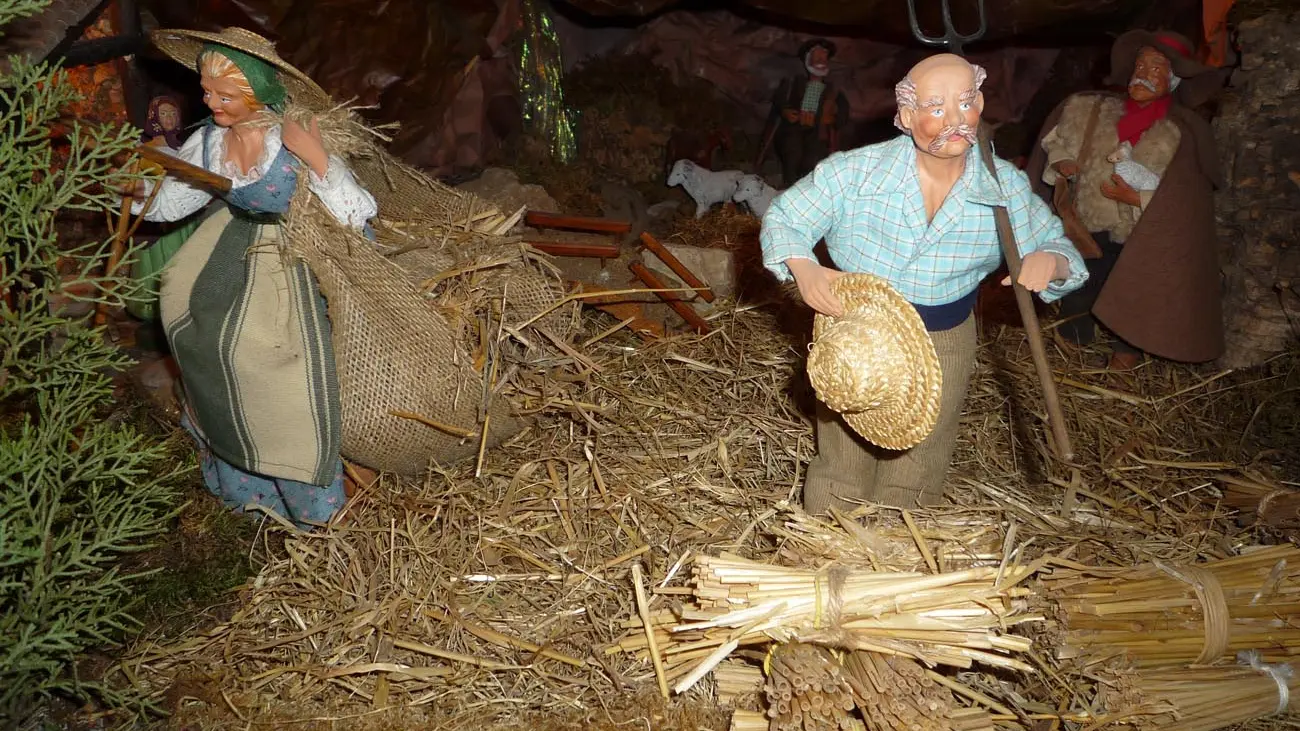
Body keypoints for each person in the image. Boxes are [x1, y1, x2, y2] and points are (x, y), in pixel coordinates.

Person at [761, 53, 1088, 512]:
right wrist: (803, 265)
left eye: (967, 102)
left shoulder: (1004, 189)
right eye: (937, 107)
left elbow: (1062, 246)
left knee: (922, 450)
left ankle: (901, 540)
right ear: (907, 116)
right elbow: (787, 217)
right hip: (858, 330)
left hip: (944, 337)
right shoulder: (855, 174)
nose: (956, 119)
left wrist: (1051, 261)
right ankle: (827, 534)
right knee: (844, 449)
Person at [127, 28, 379, 528]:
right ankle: (249, 489)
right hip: (236, 245)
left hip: (300, 249)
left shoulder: (292, 134)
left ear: (258, 92)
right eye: (206, 92)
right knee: (195, 322)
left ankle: (314, 497)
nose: (211, 102)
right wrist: (139, 192)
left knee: (280, 365)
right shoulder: (210, 140)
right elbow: (178, 200)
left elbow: (357, 212)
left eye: (225, 95)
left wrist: (316, 157)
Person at [1029, 30, 1225, 370]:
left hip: (1140, 235)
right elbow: (1057, 141)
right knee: (1081, 285)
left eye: (1156, 68)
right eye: (1140, 64)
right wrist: (1063, 163)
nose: (1143, 74)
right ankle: (1072, 347)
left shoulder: (1181, 133)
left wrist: (1136, 197)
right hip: (1087, 223)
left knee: (1136, 289)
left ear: (1174, 79)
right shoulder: (1091, 110)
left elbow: (1183, 199)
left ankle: (1125, 356)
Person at [759, 38, 851, 188]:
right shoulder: (793, 84)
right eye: (817, 56)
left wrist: (833, 119)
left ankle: (808, 189)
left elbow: (844, 112)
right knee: (791, 152)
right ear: (808, 60)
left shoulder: (833, 92)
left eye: (824, 56)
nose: (821, 60)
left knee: (813, 159)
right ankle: (789, 185)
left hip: (818, 133)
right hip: (793, 129)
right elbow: (780, 100)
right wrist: (786, 111)